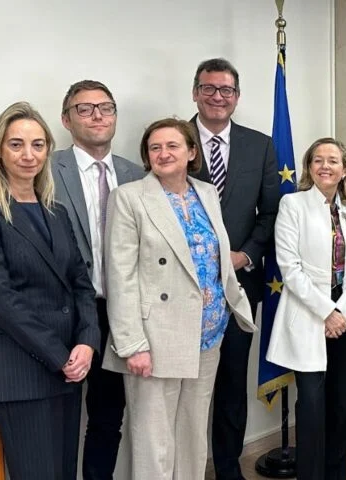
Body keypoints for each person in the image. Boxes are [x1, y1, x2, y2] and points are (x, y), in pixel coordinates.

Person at [102, 118, 256, 479]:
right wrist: (132, 344)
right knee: (154, 441)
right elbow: (120, 276)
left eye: (172, 146)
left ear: (191, 152)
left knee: (192, 436)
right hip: (155, 338)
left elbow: (216, 256)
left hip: (208, 335)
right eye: (154, 147)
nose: (163, 153)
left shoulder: (206, 192)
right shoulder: (129, 198)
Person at [0, 102, 100, 479]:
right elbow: (3, 301)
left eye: (38, 145)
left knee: (64, 472)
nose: (28, 155)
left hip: (70, 369)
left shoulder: (56, 212)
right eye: (16, 144)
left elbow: (81, 283)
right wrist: (60, 356)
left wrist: (87, 342)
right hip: (23, 371)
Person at [189, 57, 280, 480]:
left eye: (226, 90)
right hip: (184, 288)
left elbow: (271, 212)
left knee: (230, 384)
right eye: (209, 88)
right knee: (186, 390)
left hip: (238, 288)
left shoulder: (259, 145)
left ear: (237, 97)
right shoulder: (174, 139)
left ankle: (228, 469)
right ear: (196, 93)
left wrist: (246, 254)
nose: (217, 96)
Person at [266, 138, 346, 480]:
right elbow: (290, 268)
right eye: (318, 160)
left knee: (342, 405)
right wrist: (327, 313)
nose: (325, 166)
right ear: (309, 167)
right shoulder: (292, 204)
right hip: (309, 313)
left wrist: (341, 311)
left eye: (332, 160)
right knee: (312, 406)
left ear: (344, 169)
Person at [51, 79, 144, 480]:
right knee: (59, 414)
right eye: (85, 108)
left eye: (106, 107)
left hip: (118, 313)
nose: (97, 116)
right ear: (66, 119)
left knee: (107, 417)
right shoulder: (46, 168)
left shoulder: (135, 173)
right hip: (63, 312)